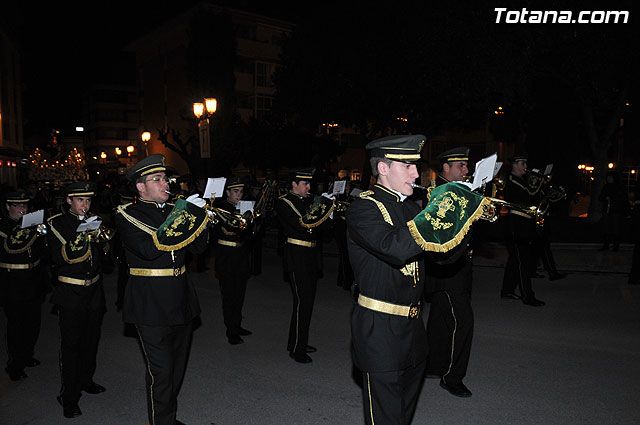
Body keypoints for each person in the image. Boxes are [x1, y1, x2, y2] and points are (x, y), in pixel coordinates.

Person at [115, 154, 209, 425]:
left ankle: (166, 416)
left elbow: (198, 248)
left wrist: (200, 217)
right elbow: (148, 248)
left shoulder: (173, 209)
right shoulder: (127, 215)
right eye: (156, 180)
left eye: (164, 178)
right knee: (161, 371)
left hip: (180, 297)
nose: (164, 183)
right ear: (140, 187)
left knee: (177, 368)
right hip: (150, 302)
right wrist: (183, 214)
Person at [347, 135, 429, 425]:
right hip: (379, 329)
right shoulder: (363, 208)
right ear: (383, 168)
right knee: (385, 419)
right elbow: (395, 249)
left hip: (414, 329)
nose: (416, 174)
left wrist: (462, 222)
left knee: (402, 416)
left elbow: (444, 259)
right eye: (407, 166)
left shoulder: (411, 208)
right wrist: (437, 215)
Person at [47, 181, 108, 418]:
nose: (86, 204)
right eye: (80, 200)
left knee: (91, 340)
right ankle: (69, 396)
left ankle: (86, 380)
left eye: (89, 200)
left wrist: (103, 240)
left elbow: (104, 255)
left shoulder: (94, 220)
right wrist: (84, 233)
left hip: (94, 290)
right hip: (70, 293)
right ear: (69, 201)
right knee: (71, 346)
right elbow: (62, 257)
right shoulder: (57, 224)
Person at [424, 147, 474, 398]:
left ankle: (433, 365)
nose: (466, 170)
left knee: (441, 317)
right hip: (447, 266)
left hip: (459, 264)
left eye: (466, 166)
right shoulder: (438, 192)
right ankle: (452, 377)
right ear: (446, 167)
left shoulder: (462, 191)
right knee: (463, 321)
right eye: (460, 166)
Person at [276, 167, 333, 363]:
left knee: (308, 302)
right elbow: (302, 223)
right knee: (302, 302)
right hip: (296, 256)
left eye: (309, 184)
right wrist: (321, 208)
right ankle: (297, 349)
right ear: (294, 184)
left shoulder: (311, 201)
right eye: (305, 184)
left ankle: (299, 341)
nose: (309, 187)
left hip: (311, 256)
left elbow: (325, 229)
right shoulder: (284, 202)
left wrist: (329, 211)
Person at [1, 190, 48, 381]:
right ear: (8, 207)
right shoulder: (3, 226)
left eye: (25, 206)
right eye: (17, 205)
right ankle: (14, 364)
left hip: (33, 278)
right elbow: (11, 247)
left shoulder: (32, 224)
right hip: (13, 281)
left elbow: (42, 250)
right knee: (16, 325)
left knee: (33, 322)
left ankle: (27, 355)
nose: (22, 209)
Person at [500, 153, 545, 306]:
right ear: (514, 165)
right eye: (522, 163)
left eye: (526, 163)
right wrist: (536, 183)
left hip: (524, 224)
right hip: (516, 225)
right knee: (522, 262)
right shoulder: (512, 181)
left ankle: (507, 291)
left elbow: (536, 198)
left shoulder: (522, 180)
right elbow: (528, 198)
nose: (526, 167)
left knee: (515, 260)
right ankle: (528, 296)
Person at [214, 176, 253, 345]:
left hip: (241, 255)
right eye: (235, 191)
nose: (239, 195)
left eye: (241, 192)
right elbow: (228, 228)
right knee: (229, 296)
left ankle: (237, 325)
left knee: (240, 294)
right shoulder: (221, 208)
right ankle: (231, 331)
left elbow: (249, 234)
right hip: (227, 255)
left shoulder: (244, 208)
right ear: (228, 192)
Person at [598, 170, 629, 251]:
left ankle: (616, 246)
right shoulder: (606, 187)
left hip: (616, 211)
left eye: (610, 178)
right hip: (607, 211)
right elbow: (600, 197)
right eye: (608, 178)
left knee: (616, 228)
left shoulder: (620, 187)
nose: (609, 179)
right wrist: (605, 198)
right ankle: (606, 245)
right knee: (606, 228)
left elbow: (623, 199)